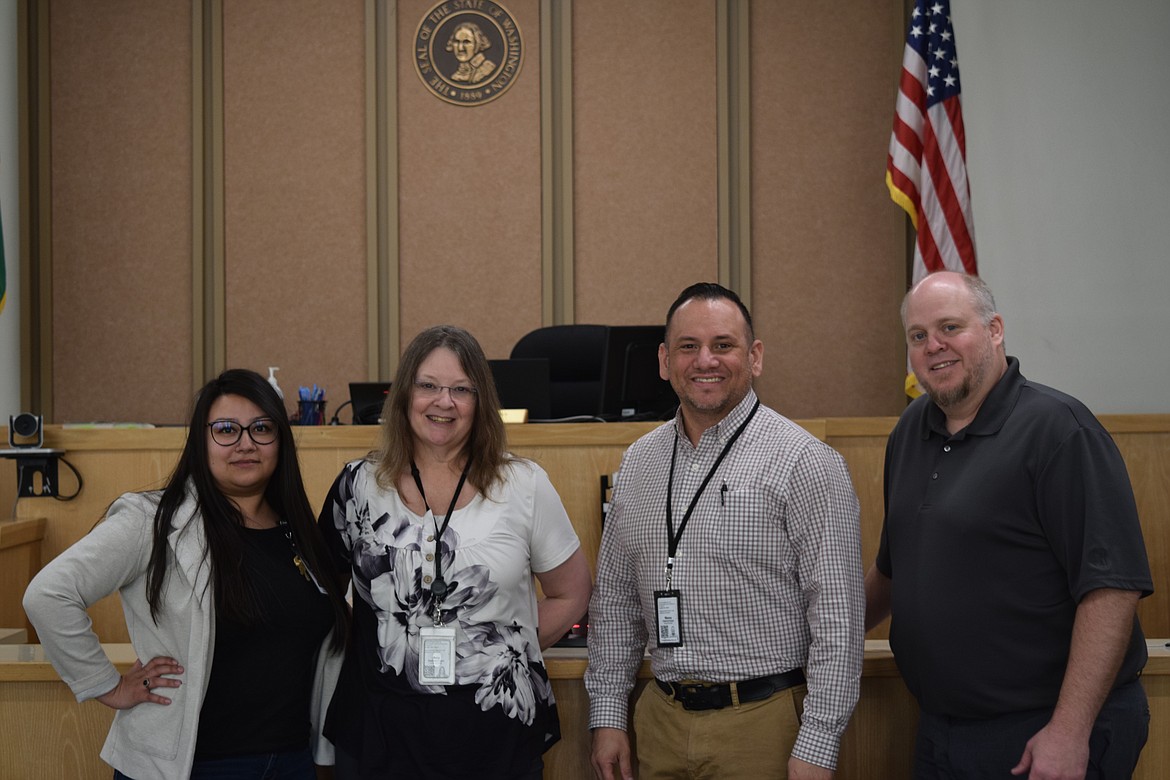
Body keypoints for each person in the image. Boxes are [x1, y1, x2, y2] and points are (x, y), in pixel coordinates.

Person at [864, 271, 1153, 778]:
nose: (934, 346)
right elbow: (894, 573)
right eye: (918, 335)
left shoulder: (1061, 430)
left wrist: (1069, 730)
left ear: (995, 329)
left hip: (1044, 733)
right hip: (940, 727)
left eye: (951, 327)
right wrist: (809, 638)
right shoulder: (910, 430)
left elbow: (1111, 591)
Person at [586, 282, 865, 780]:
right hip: (659, 722)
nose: (704, 361)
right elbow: (615, 600)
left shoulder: (805, 462)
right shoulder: (638, 463)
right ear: (664, 360)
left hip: (764, 724)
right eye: (688, 347)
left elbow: (838, 617)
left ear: (754, 356)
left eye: (723, 345)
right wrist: (608, 715)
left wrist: (819, 743)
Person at [23, 368, 351, 779]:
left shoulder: (298, 531)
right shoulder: (153, 520)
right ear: (201, 440)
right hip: (188, 766)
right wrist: (105, 684)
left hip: (290, 762)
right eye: (226, 429)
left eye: (262, 428)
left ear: (280, 440)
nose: (245, 443)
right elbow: (49, 595)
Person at [317, 324, 592, 779]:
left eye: (461, 389)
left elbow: (572, 593)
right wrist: (378, 642)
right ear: (404, 394)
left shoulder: (524, 484)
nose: (443, 402)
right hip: (379, 732)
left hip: (494, 734)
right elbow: (322, 593)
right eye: (428, 386)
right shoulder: (359, 486)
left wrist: (500, 648)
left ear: (480, 402)